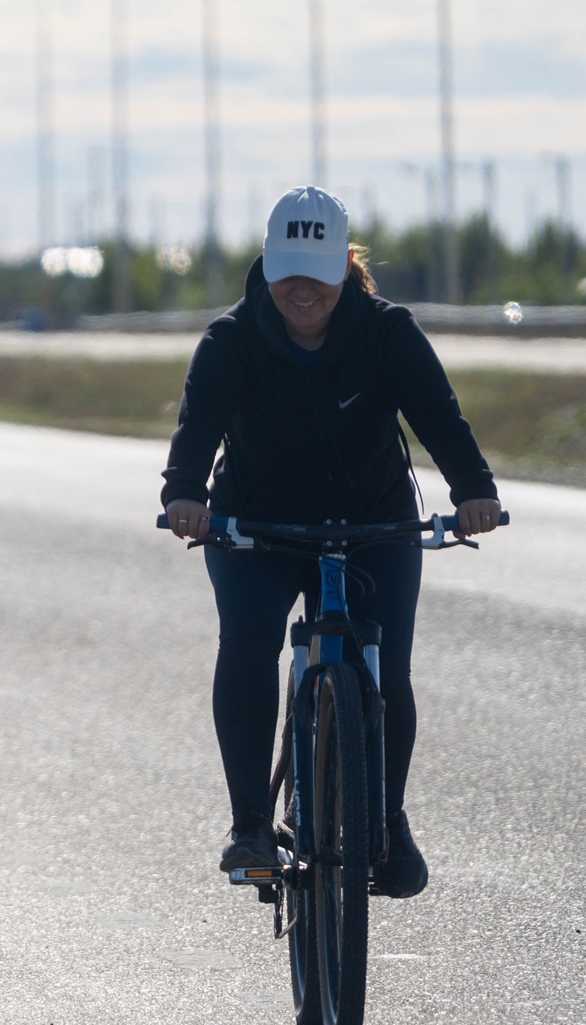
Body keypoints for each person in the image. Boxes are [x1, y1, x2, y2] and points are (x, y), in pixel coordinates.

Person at [161, 187, 503, 898]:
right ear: (268, 263)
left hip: (373, 523)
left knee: (388, 666)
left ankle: (386, 819)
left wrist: (474, 491)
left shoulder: (388, 333)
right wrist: (184, 495)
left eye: (317, 269)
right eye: (288, 269)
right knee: (250, 639)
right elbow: (196, 428)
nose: (301, 287)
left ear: (345, 265)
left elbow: (440, 416)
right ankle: (252, 823)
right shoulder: (232, 340)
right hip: (258, 526)